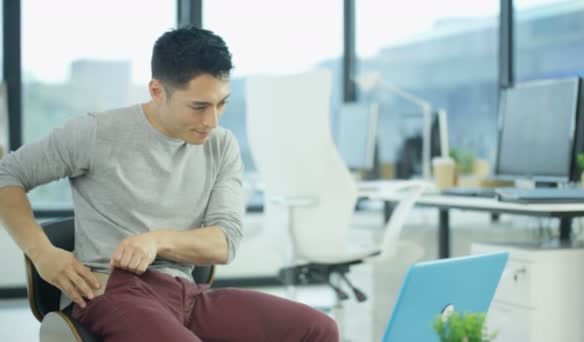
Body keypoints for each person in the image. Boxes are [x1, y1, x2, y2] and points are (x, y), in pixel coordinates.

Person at [0, 27, 339, 342]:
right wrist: (42, 253)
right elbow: (7, 175)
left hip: (187, 294)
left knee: (319, 329)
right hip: (110, 290)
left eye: (222, 103)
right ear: (157, 91)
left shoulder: (221, 146)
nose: (212, 120)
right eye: (199, 106)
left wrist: (157, 241)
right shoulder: (96, 133)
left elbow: (225, 242)